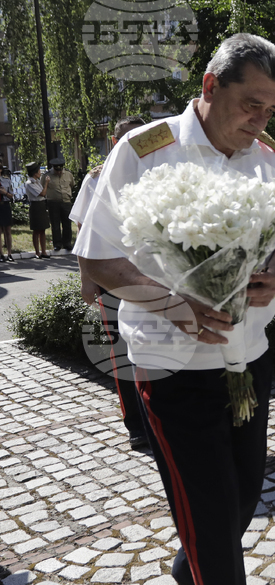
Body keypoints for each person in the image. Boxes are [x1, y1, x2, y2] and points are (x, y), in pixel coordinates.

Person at [75, 34, 275, 585]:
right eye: (250, 104)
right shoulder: (144, 151)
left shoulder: (265, 158)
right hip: (172, 364)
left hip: (247, 357)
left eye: (270, 109)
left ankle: (193, 564)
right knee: (208, 513)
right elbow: (97, 259)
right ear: (209, 87)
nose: (260, 121)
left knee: (247, 491)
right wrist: (179, 306)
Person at [73, 115, 148, 450]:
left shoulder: (158, 169)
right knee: (120, 352)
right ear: (115, 142)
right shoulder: (96, 178)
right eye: (124, 138)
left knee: (154, 349)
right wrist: (86, 279)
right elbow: (85, 233)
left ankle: (160, 416)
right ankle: (136, 425)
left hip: (152, 276)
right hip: (110, 278)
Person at [42, 155, 75, 252]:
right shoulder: (46, 176)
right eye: (57, 170)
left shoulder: (68, 174)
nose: (59, 172)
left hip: (66, 201)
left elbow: (71, 185)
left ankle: (67, 243)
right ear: (53, 168)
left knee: (67, 223)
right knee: (55, 224)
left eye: (60, 170)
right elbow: (43, 187)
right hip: (53, 202)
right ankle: (57, 244)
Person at [24, 163, 50, 258]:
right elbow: (42, 193)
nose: (40, 172)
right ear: (35, 173)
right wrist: (46, 183)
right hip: (35, 206)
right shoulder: (29, 183)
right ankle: (37, 252)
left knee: (42, 229)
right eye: (39, 171)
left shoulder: (37, 181)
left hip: (41, 205)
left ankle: (44, 251)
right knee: (36, 230)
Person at [0, 167, 14, 262]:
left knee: (8, 230)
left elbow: (11, 195)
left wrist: (4, 192)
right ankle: (1, 254)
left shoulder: (6, 180)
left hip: (5, 205)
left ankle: (9, 253)